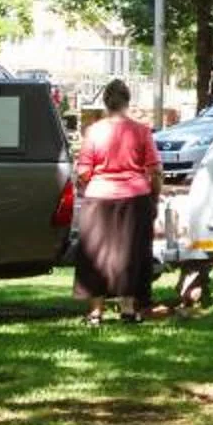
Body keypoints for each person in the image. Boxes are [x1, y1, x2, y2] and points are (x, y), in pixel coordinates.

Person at [73, 78, 159, 323]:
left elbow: (83, 172)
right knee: (131, 254)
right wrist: (154, 195)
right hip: (135, 198)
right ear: (128, 101)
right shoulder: (142, 131)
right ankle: (129, 309)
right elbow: (155, 170)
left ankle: (95, 312)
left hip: (98, 198)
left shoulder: (93, 132)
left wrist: (89, 184)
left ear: (106, 102)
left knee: (97, 255)